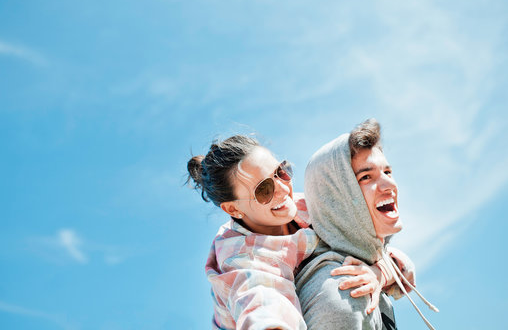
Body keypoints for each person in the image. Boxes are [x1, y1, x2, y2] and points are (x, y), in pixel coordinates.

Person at [187, 134, 410, 330]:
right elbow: (260, 299)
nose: (284, 190)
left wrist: (379, 272)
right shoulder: (242, 258)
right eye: (264, 189)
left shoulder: (311, 206)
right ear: (233, 208)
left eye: (280, 172)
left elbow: (392, 260)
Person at [296, 118, 437, 330]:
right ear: (335, 198)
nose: (389, 185)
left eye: (387, 172)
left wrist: (381, 272)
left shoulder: (366, 268)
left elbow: (405, 268)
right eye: (366, 177)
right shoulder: (345, 292)